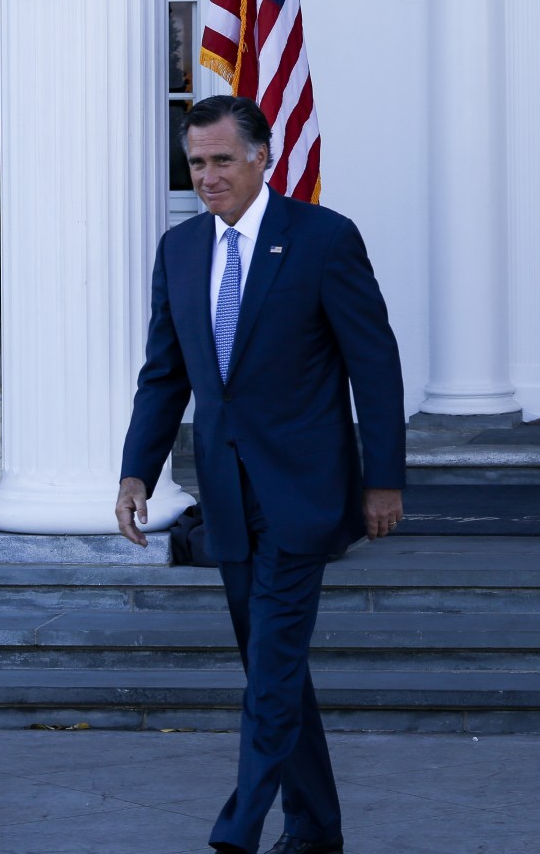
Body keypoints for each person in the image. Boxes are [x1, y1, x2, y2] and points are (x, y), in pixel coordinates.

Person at [115, 94, 405, 854]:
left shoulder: (322, 239)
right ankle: (316, 826)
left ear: (261, 155)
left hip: (304, 493)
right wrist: (136, 471)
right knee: (274, 667)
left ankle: (237, 831)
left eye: (221, 160)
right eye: (196, 163)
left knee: (271, 667)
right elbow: (163, 373)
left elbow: (374, 367)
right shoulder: (179, 251)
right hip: (225, 497)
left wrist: (384, 479)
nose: (207, 176)